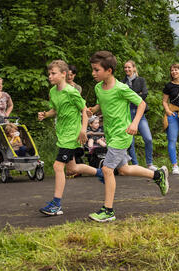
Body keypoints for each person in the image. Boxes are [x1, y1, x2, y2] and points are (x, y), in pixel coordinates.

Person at [86, 51, 169, 222]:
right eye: (93, 70)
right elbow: (102, 103)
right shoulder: (98, 87)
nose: (93, 73)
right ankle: (158, 175)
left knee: (107, 169)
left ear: (109, 70)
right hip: (110, 134)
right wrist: (93, 110)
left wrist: (135, 123)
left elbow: (141, 103)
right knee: (123, 169)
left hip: (122, 134)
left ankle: (108, 210)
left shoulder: (122, 88)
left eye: (96, 70)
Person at [37, 59, 100, 217]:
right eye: (49, 73)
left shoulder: (72, 92)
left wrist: (83, 130)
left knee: (58, 166)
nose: (50, 76)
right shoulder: (53, 92)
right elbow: (55, 110)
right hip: (62, 134)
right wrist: (45, 114)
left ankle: (56, 204)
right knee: (72, 168)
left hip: (72, 134)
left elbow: (85, 111)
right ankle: (101, 173)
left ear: (63, 74)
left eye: (53, 73)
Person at [122, 60, 156, 170]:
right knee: (130, 141)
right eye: (125, 68)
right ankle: (135, 164)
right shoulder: (122, 82)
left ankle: (149, 164)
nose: (127, 69)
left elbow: (144, 94)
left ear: (134, 68)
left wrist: (130, 95)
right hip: (127, 113)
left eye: (129, 67)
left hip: (139, 112)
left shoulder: (141, 80)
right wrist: (137, 94)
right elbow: (122, 97)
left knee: (148, 138)